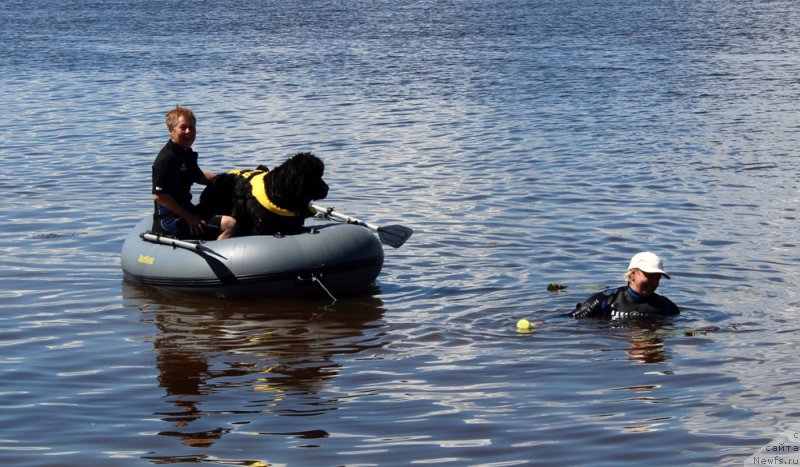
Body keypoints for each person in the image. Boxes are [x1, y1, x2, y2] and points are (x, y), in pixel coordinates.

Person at [151, 106, 236, 240]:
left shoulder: (185, 153)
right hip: (170, 221)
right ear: (171, 131)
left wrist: (230, 179)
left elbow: (200, 177)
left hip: (188, 212)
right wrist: (189, 217)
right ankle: (216, 258)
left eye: (192, 127)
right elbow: (159, 196)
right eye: (183, 127)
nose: (188, 131)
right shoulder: (166, 159)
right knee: (229, 224)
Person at [572, 251, 679, 320]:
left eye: (657, 278)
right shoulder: (606, 299)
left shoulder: (667, 306)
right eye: (649, 276)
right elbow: (572, 319)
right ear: (632, 274)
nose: (654, 282)